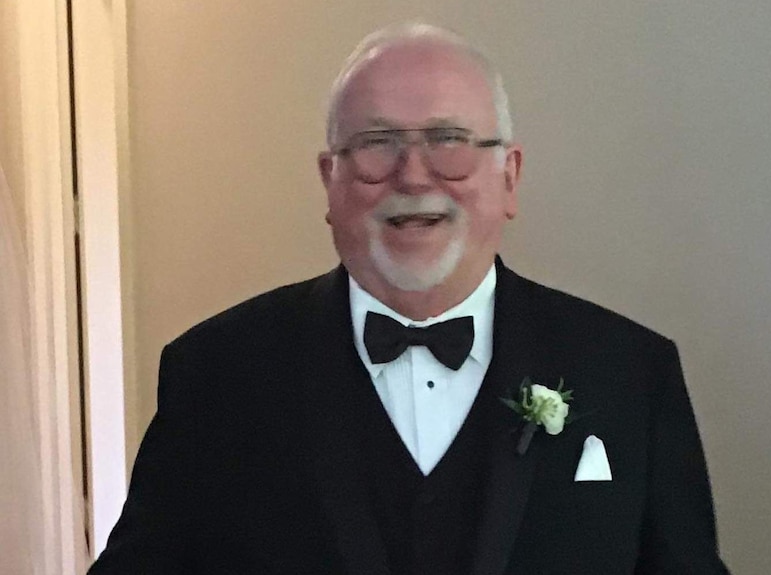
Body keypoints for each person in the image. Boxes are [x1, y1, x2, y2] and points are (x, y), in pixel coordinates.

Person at [89, 23, 730, 574]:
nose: (415, 174)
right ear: (330, 180)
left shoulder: (631, 373)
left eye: (449, 140)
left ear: (509, 176)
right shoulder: (217, 374)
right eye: (377, 145)